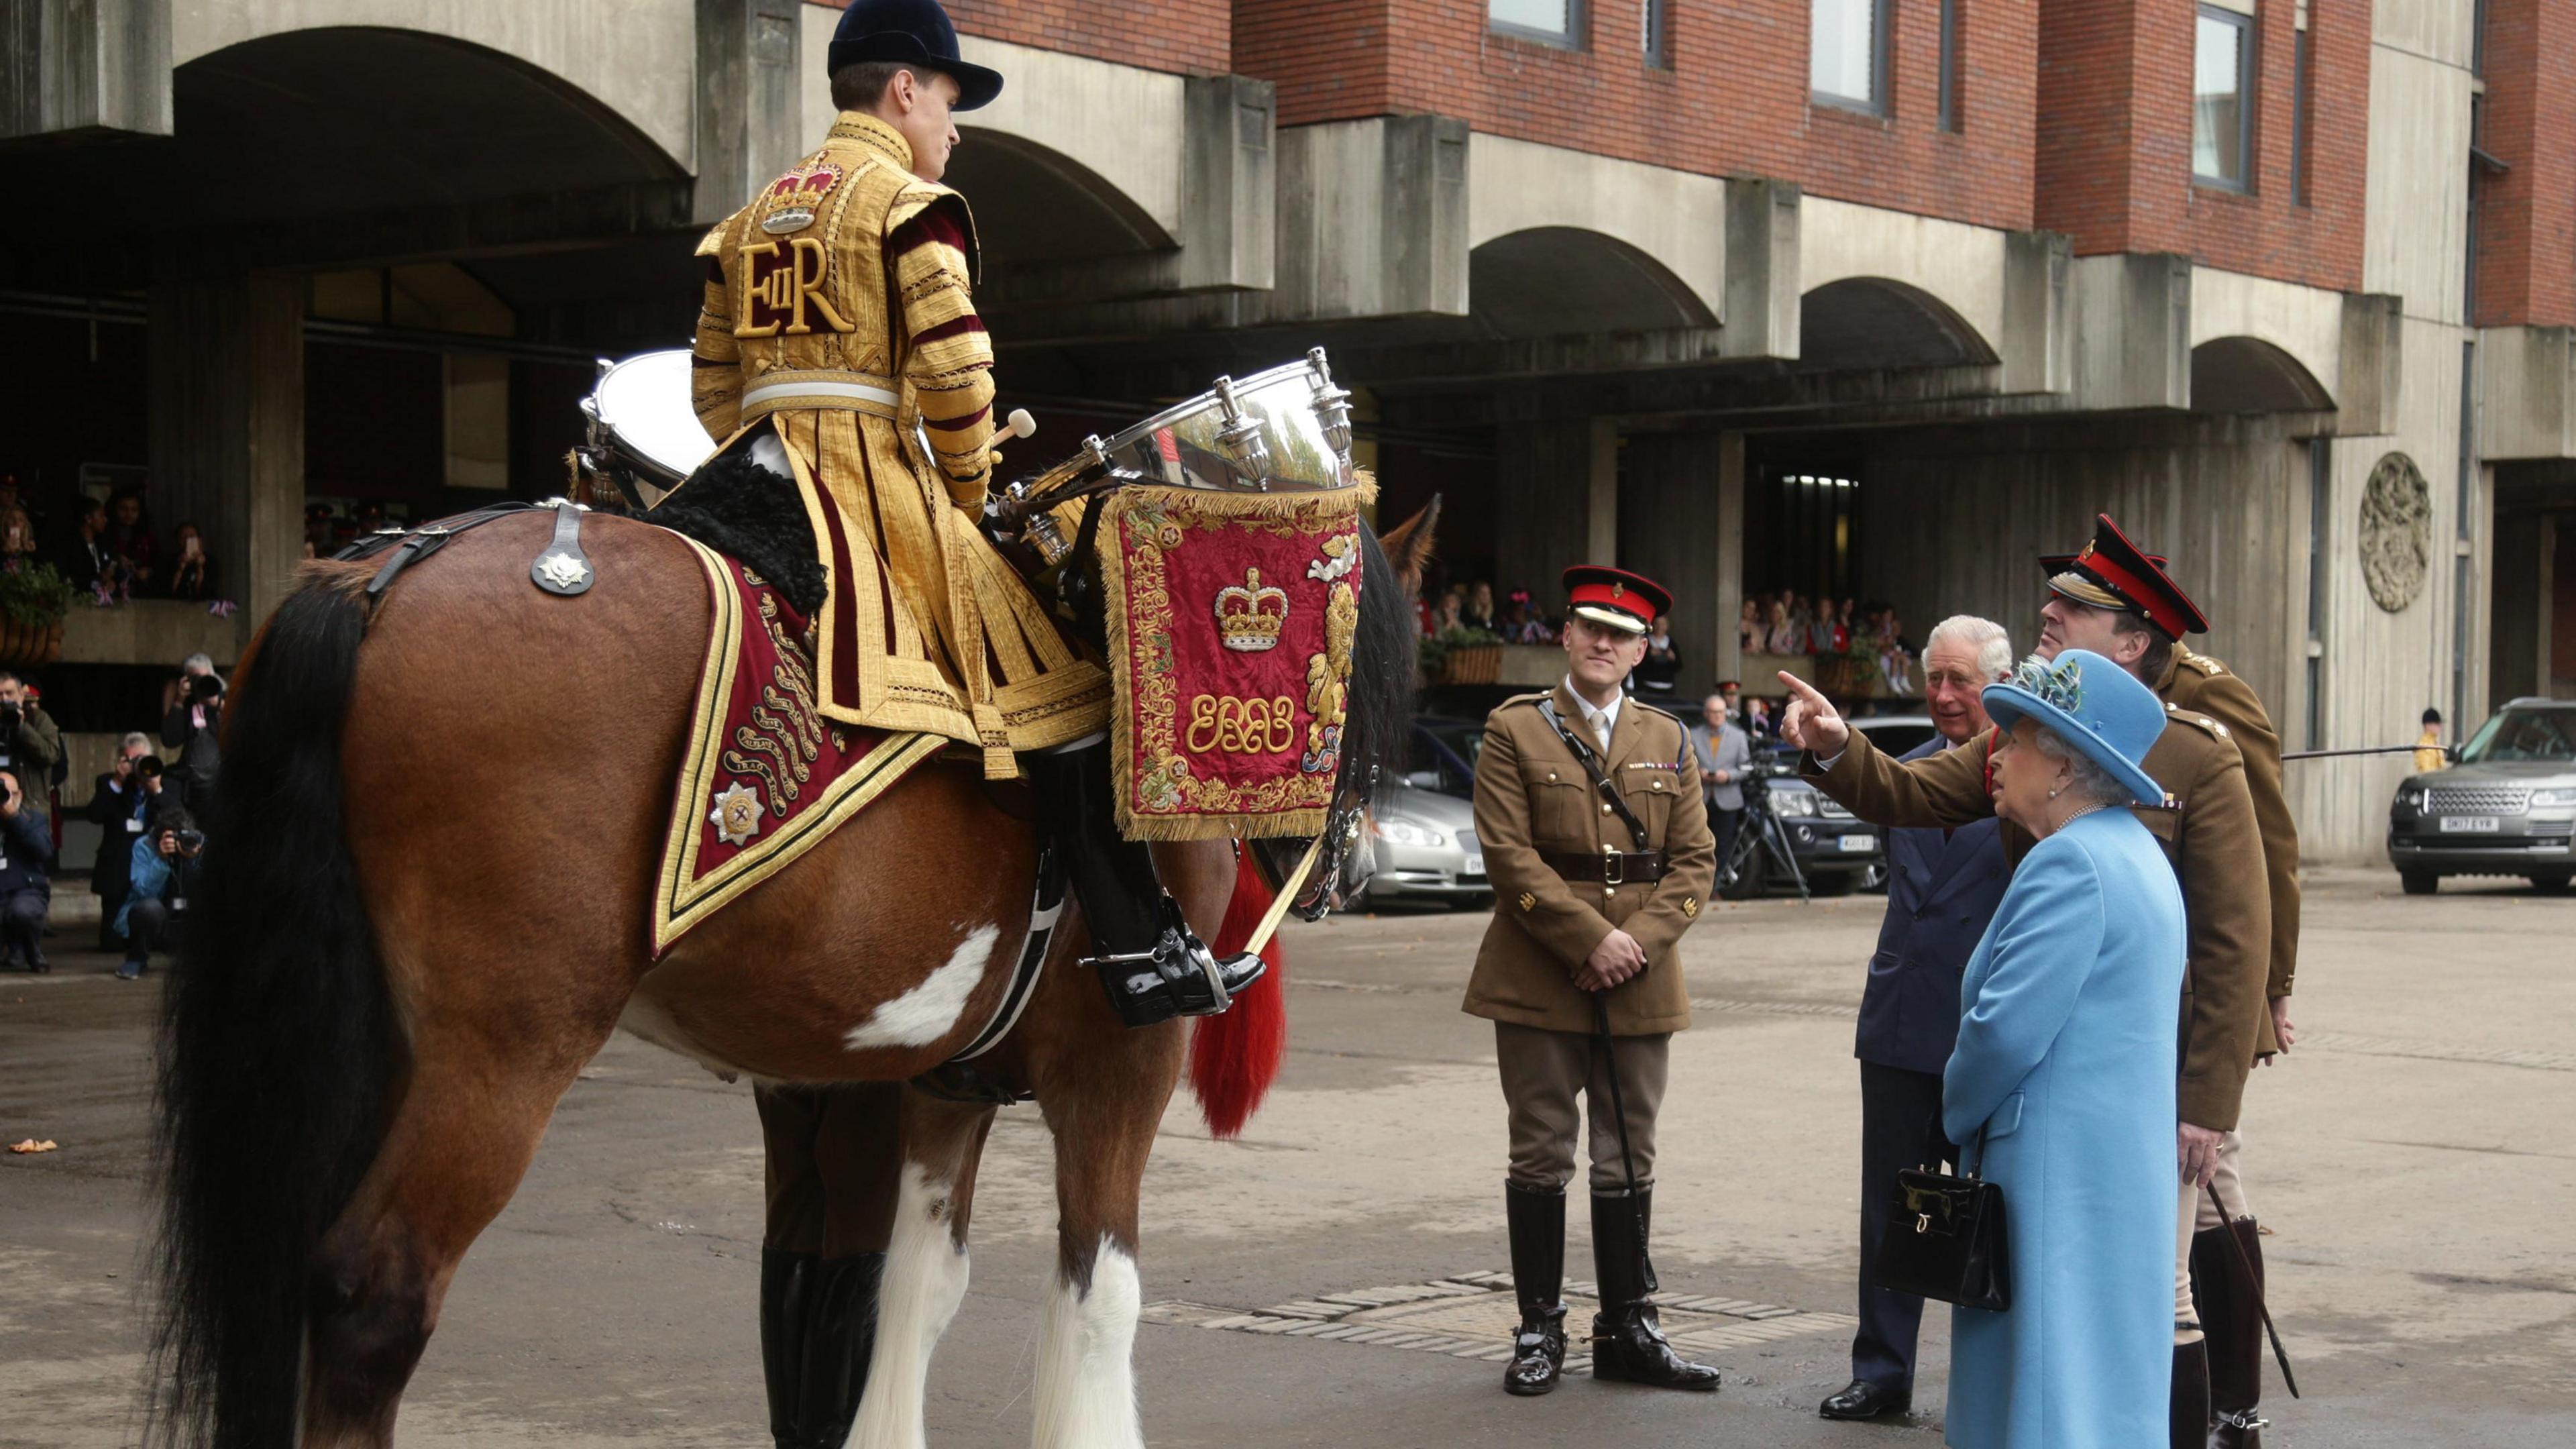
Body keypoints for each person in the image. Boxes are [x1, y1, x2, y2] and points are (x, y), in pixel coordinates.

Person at [691, 5, 1262, 1441]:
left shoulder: (754, 216)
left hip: (745, 491)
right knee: (1070, 697)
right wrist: (958, 468)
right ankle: (1135, 940)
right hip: (872, 506)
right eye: (951, 99)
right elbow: (957, 389)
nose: (957, 127)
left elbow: (711, 389)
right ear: (903, 89)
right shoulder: (911, 202)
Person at [1781, 514, 2282, 1448]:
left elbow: (2239, 933)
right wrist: (1834, 746)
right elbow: (1914, 794)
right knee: (2081, 1312)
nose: (2049, 613)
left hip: (2149, 1069)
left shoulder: (2199, 752)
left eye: (2076, 608)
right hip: (2062, 1062)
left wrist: (2212, 1099)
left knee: (2145, 1297)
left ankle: (2229, 1419)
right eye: (2055, 600)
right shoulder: (2039, 721)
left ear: (2132, 640)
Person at [1466, 565, 1719, 1399]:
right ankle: (1540, 1327)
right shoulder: (1515, 729)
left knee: (1628, 1154)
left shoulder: (1670, 738)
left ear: (1643, 648)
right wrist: (1589, 937)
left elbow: (1694, 863)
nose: (1604, 643)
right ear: (1566, 636)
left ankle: (1630, 1329)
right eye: (1590, 628)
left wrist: (1633, 944)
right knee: (1540, 1152)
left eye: (1621, 634)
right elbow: (1508, 855)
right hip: (1539, 973)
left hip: (1638, 978)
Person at [1943, 649, 2188, 1448]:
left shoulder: (2071, 863)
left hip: (2052, 1169)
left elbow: (2003, 1030)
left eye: (2015, 738)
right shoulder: (2135, 851)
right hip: (2109, 1169)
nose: (1999, 754)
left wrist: (1954, 1109)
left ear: (2059, 768)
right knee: (2101, 1377)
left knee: (2052, 1387)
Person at [1818, 615, 2016, 1424]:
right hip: (1900, 1026)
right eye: (1932, 678)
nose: (1941, 696)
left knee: (1998, 1213)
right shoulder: (1904, 775)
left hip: (1987, 1031)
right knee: (1890, 1208)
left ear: (1997, 687)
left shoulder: (2030, 780)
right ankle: (1882, 1370)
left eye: (1959, 681)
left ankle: (1999, 1379)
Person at [83, 734, 166, 952]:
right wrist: (118, 782)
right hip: (116, 867)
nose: (137, 764)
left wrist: (155, 789)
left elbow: (175, 817)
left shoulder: (163, 783)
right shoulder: (108, 783)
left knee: (155, 941)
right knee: (111, 944)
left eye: (141, 759)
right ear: (121, 761)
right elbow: (94, 815)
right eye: (131, 760)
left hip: (150, 865)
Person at [116, 807, 204, 980]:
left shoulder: (198, 843)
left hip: (187, 916)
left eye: (182, 836)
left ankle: (200, 961)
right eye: (173, 837)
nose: (179, 842)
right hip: (158, 917)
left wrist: (193, 859)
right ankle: (137, 958)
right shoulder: (145, 846)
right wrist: (161, 859)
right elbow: (143, 890)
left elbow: (211, 888)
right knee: (149, 908)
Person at [1688, 689, 1751, 873]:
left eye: (1721, 712)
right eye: (1714, 712)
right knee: (1698, 845)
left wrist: (1729, 775)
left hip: (1728, 799)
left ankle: (1718, 885)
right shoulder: (1693, 734)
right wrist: (1697, 772)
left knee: (1723, 846)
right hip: (1701, 798)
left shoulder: (1738, 736)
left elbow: (1746, 767)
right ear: (1706, 713)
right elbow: (1685, 763)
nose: (1718, 716)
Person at [0, 768, 52, 972]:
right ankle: (14, 950)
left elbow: (44, 851)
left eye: (9, 794)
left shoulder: (33, 819)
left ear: (19, 795)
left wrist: (15, 818)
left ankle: (32, 950)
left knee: (22, 911)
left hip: (26, 891)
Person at [0, 672, 64, 820]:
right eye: (0, 694)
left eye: (9, 693)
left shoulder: (38, 719)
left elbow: (51, 755)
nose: (5, 699)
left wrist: (22, 727)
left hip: (31, 811)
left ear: (21, 695)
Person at [162, 660, 224, 798]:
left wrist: (217, 703)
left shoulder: (224, 700)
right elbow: (170, 741)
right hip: (193, 785)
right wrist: (179, 701)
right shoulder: (187, 705)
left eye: (206, 678)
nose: (202, 683)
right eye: (197, 679)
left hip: (220, 783)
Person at [50, 496, 111, 597]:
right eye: (101, 515)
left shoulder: (101, 544)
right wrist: (92, 583)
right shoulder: (68, 545)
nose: (105, 520)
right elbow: (64, 578)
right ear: (88, 518)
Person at [1633, 614, 1681, 701]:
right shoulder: (1645, 642)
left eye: (1663, 624)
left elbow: (1679, 666)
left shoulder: (1672, 643)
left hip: (1667, 688)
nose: (1660, 627)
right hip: (1648, 687)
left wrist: (1673, 658)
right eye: (1657, 624)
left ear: (1667, 626)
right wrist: (1649, 656)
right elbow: (1636, 665)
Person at [168, 521, 216, 602]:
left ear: (199, 540)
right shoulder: (171, 561)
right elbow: (169, 593)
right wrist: (180, 569)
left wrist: (200, 568)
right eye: (183, 538)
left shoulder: (211, 562)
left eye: (191, 537)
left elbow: (205, 594)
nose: (187, 541)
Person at [2414, 707, 2447, 773]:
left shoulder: (2434, 743)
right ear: (2427, 725)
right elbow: (2426, 771)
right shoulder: (2423, 745)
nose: (2440, 726)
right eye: (2437, 723)